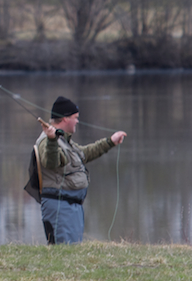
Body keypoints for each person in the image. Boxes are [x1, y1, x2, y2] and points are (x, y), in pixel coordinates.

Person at [27, 95, 127, 245]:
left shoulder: (64, 141)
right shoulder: (46, 141)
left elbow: (84, 154)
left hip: (72, 208)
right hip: (59, 208)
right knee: (63, 252)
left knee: (73, 251)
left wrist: (110, 142)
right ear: (65, 119)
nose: (78, 121)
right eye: (75, 118)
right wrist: (52, 141)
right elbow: (51, 162)